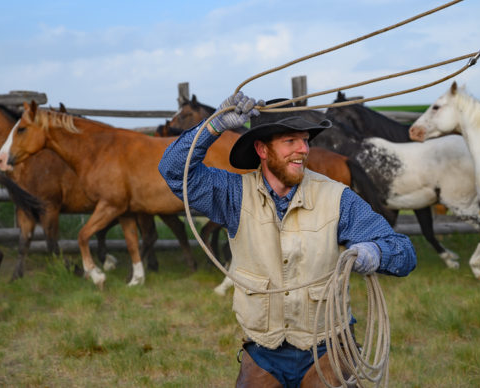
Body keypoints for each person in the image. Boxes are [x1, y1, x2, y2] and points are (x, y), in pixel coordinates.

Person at [158, 92, 417, 387]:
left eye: (305, 140)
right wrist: (213, 127)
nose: (303, 150)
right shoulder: (233, 195)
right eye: (290, 142)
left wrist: (375, 252)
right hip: (263, 351)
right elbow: (173, 171)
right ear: (262, 149)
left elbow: (403, 251)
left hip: (327, 347)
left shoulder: (336, 198)